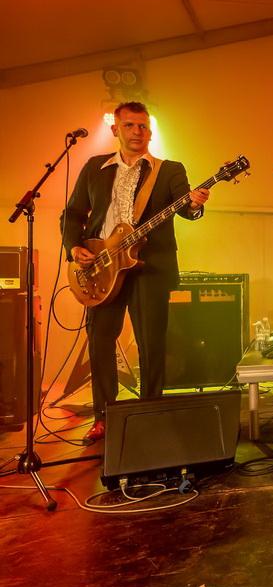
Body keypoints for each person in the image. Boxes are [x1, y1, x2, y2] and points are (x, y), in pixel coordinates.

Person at [61, 102, 209, 442]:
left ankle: (150, 412)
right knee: (100, 342)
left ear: (150, 132)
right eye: (129, 125)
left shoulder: (169, 170)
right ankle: (104, 416)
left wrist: (195, 204)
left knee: (152, 344)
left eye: (142, 126)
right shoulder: (95, 167)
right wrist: (74, 247)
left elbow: (186, 209)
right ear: (116, 129)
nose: (137, 132)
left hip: (149, 268)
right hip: (101, 267)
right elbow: (72, 214)